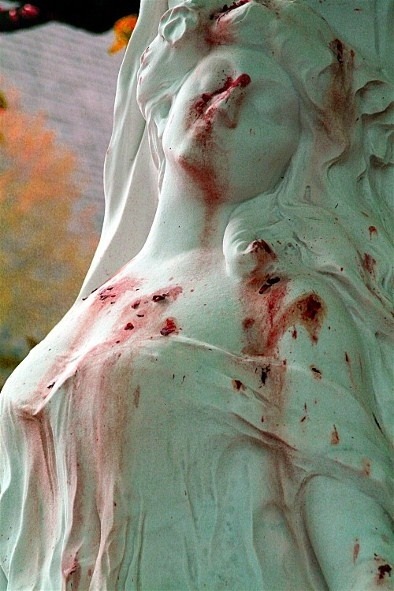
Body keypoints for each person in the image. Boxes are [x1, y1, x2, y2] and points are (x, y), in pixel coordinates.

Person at [0, 1, 393, 589]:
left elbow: (357, 541)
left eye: (266, 102)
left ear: (297, 165)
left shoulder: (289, 304)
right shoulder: (97, 303)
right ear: (166, 102)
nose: (231, 97)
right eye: (219, 74)